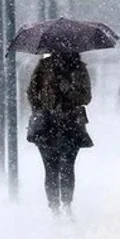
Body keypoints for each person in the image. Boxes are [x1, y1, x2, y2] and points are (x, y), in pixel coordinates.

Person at [26, 52, 93, 216]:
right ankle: (55, 206)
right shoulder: (43, 68)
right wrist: (43, 107)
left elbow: (86, 97)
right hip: (48, 125)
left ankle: (66, 204)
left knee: (67, 166)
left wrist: (68, 90)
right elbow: (32, 93)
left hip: (70, 124)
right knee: (51, 167)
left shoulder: (78, 69)